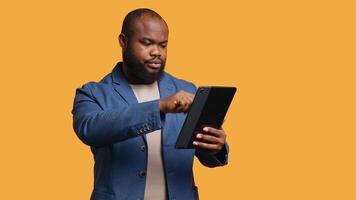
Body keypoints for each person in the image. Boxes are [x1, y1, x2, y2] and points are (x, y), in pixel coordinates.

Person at [72, 8, 229, 200]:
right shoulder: (93, 93)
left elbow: (206, 157)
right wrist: (159, 107)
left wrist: (216, 147)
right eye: (147, 43)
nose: (157, 52)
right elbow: (90, 130)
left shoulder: (186, 89)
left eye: (163, 45)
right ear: (123, 41)